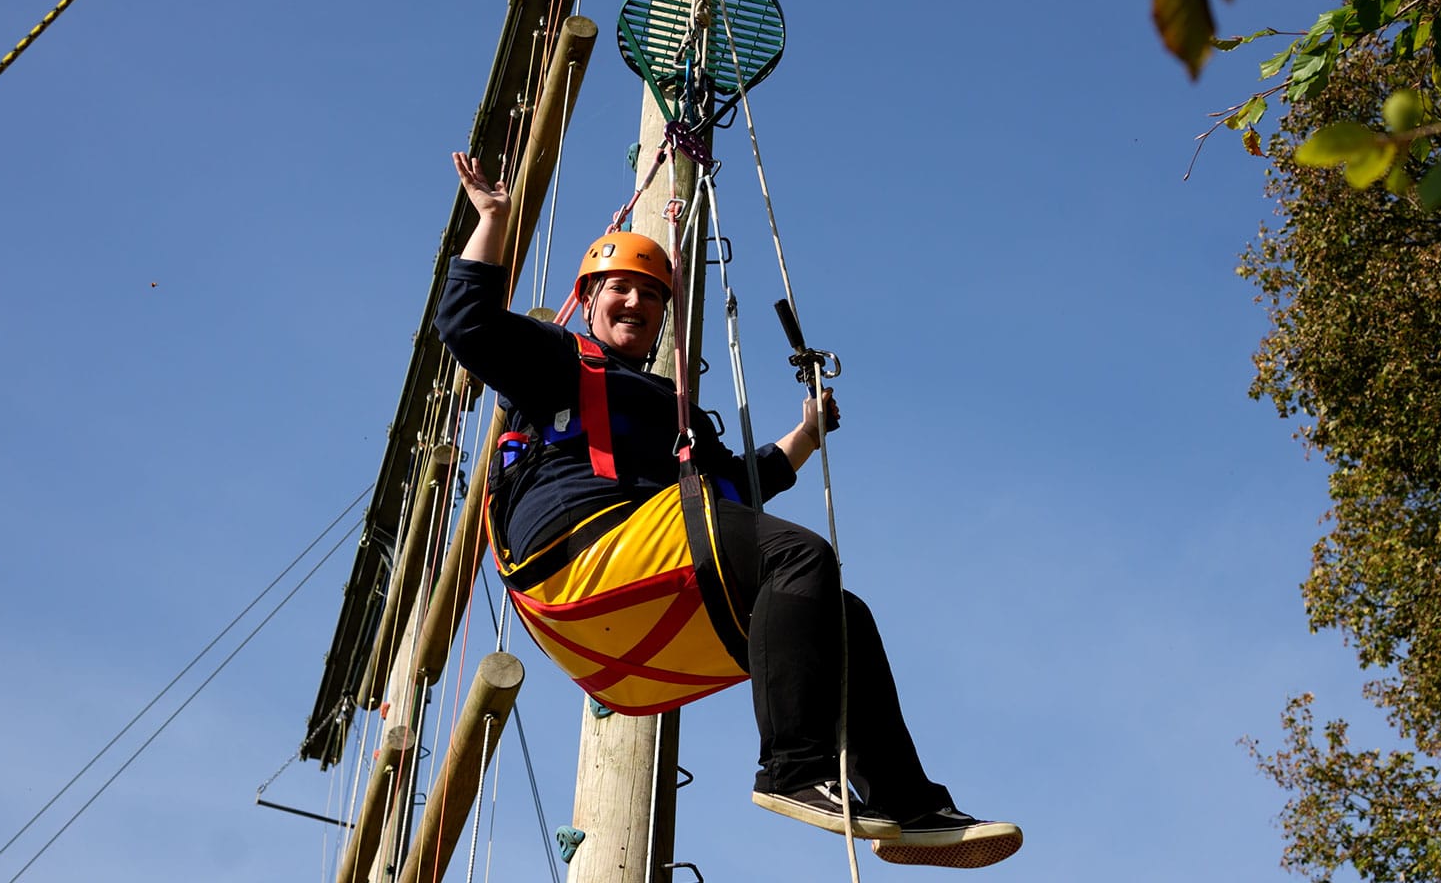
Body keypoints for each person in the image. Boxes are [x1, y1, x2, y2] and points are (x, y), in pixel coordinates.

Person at [436, 152, 1020, 860]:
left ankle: (907, 805)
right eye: (619, 289)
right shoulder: (557, 358)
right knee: (799, 554)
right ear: (588, 300)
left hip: (640, 576)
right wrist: (494, 219)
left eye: (651, 296)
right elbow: (466, 324)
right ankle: (793, 770)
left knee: (838, 612)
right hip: (576, 549)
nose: (635, 303)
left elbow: (738, 490)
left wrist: (804, 437)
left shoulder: (673, 415)